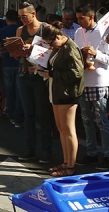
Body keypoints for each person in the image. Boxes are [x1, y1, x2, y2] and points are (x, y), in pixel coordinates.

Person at [36, 22, 84, 177]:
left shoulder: (70, 48)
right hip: (58, 92)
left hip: (68, 93)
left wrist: (52, 74)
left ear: (57, 36)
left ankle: (71, 166)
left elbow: (76, 73)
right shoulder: (60, 48)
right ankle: (65, 162)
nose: (51, 45)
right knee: (61, 129)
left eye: (51, 42)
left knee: (69, 130)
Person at [74, 5, 109, 169]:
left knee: (101, 119)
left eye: (81, 18)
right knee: (86, 119)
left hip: (99, 81)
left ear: (91, 17)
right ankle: (91, 152)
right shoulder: (79, 33)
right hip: (84, 79)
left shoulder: (105, 32)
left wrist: (95, 53)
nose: (79, 22)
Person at [16, 2, 54, 163]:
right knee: (28, 115)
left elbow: (52, 50)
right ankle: (29, 149)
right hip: (24, 74)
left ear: (33, 14)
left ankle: (46, 151)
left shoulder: (45, 28)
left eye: (24, 16)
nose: (22, 19)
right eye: (20, 17)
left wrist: (34, 49)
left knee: (43, 115)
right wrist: (18, 51)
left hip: (40, 75)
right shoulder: (20, 30)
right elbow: (17, 53)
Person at [0, 10, 22, 126]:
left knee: (9, 90)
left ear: (6, 19)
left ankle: (10, 113)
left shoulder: (2, 31)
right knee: (19, 91)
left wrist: (5, 56)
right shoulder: (21, 29)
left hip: (6, 64)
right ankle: (18, 115)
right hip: (19, 63)